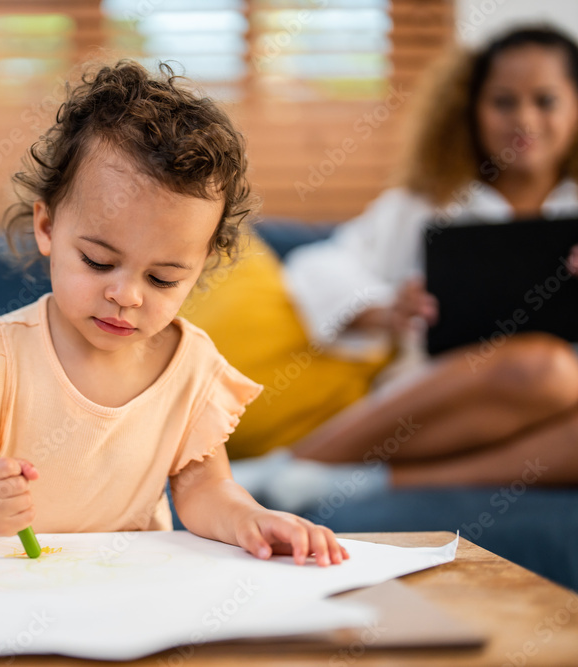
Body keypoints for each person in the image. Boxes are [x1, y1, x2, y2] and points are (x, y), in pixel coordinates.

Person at [0, 61, 349, 567]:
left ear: (201, 267)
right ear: (47, 227)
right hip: (4, 592)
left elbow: (205, 493)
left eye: (162, 278)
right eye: (99, 261)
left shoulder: (191, 365)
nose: (127, 294)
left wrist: (249, 519)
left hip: (128, 599)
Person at [239, 25, 578, 512]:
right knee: (547, 370)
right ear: (470, 110)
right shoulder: (425, 206)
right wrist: (383, 311)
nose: (524, 118)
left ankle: (374, 482)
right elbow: (315, 266)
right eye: (503, 102)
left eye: (545, 101)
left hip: (553, 427)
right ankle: (285, 465)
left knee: (564, 375)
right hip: (443, 405)